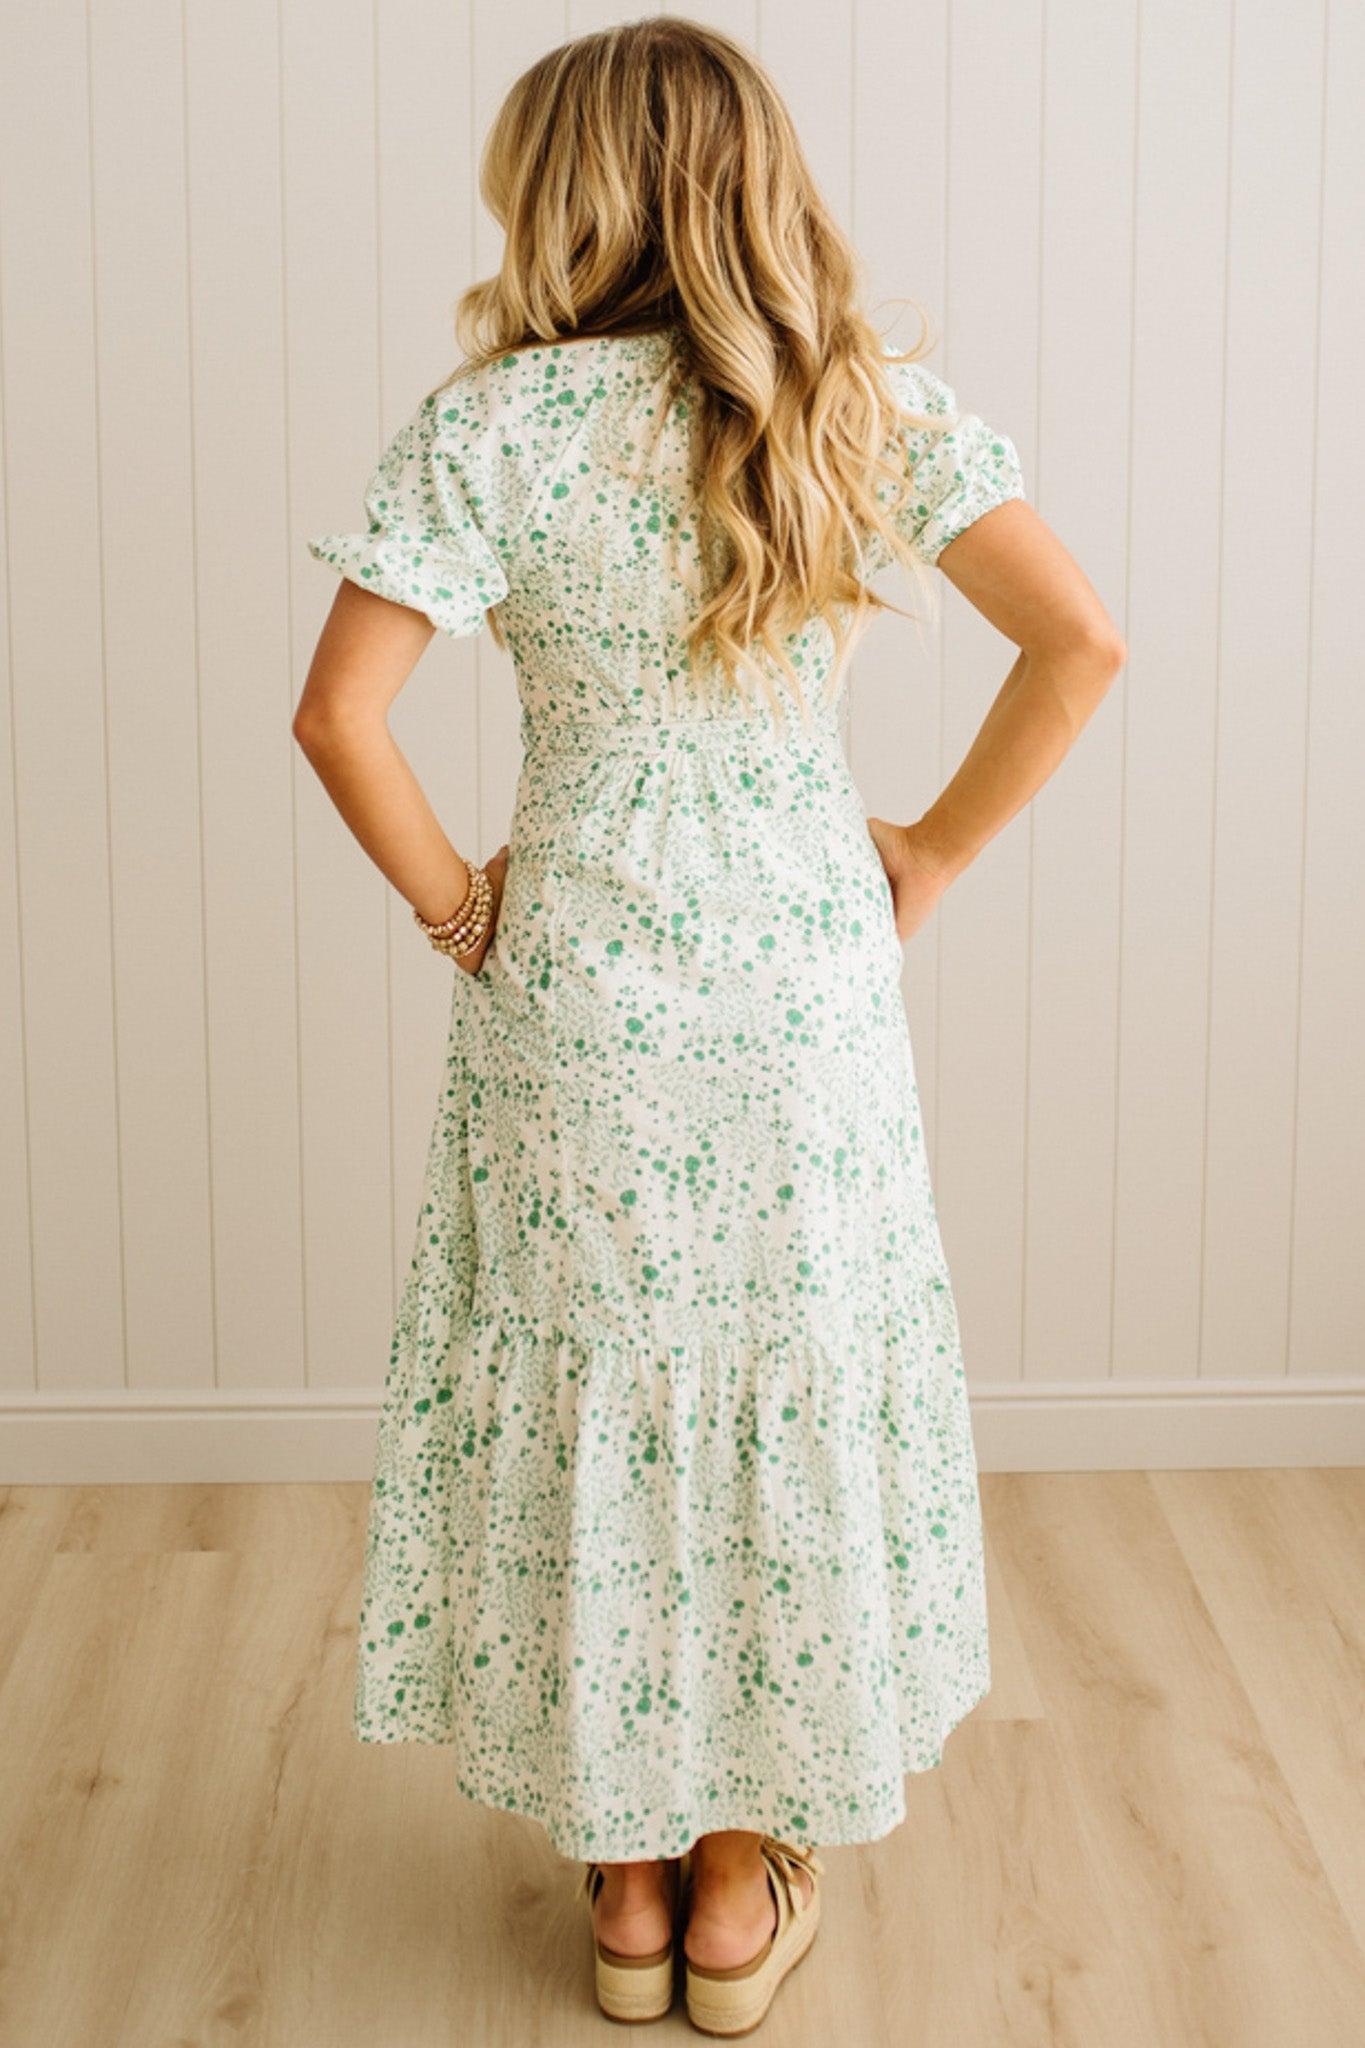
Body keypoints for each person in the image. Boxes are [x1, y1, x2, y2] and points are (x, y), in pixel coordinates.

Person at [293, 17, 1124, 2036]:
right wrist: (919, 847)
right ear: (761, 183)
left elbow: (338, 716)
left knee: (601, 1397)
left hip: (575, 981)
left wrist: (454, 902)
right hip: (801, 992)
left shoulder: (484, 429)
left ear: (552, 189)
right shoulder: (856, 407)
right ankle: (748, 1880)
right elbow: (1078, 639)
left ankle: (629, 1878)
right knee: (783, 1381)